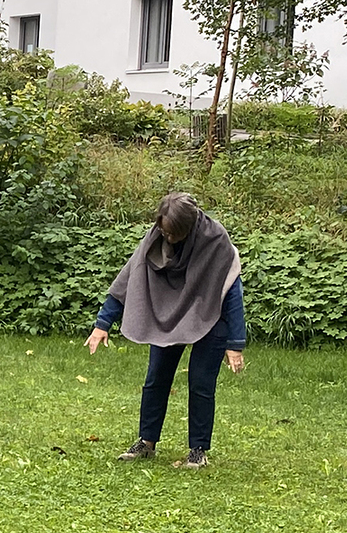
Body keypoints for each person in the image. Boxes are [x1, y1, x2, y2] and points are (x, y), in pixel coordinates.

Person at [85, 192, 246, 469]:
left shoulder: (215, 240)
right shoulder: (156, 238)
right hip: (168, 314)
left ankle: (198, 450)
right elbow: (127, 278)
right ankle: (146, 443)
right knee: (156, 377)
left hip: (210, 313)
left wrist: (235, 342)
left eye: (173, 233)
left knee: (201, 383)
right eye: (164, 232)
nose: (168, 238)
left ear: (189, 227)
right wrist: (103, 323)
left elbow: (232, 288)